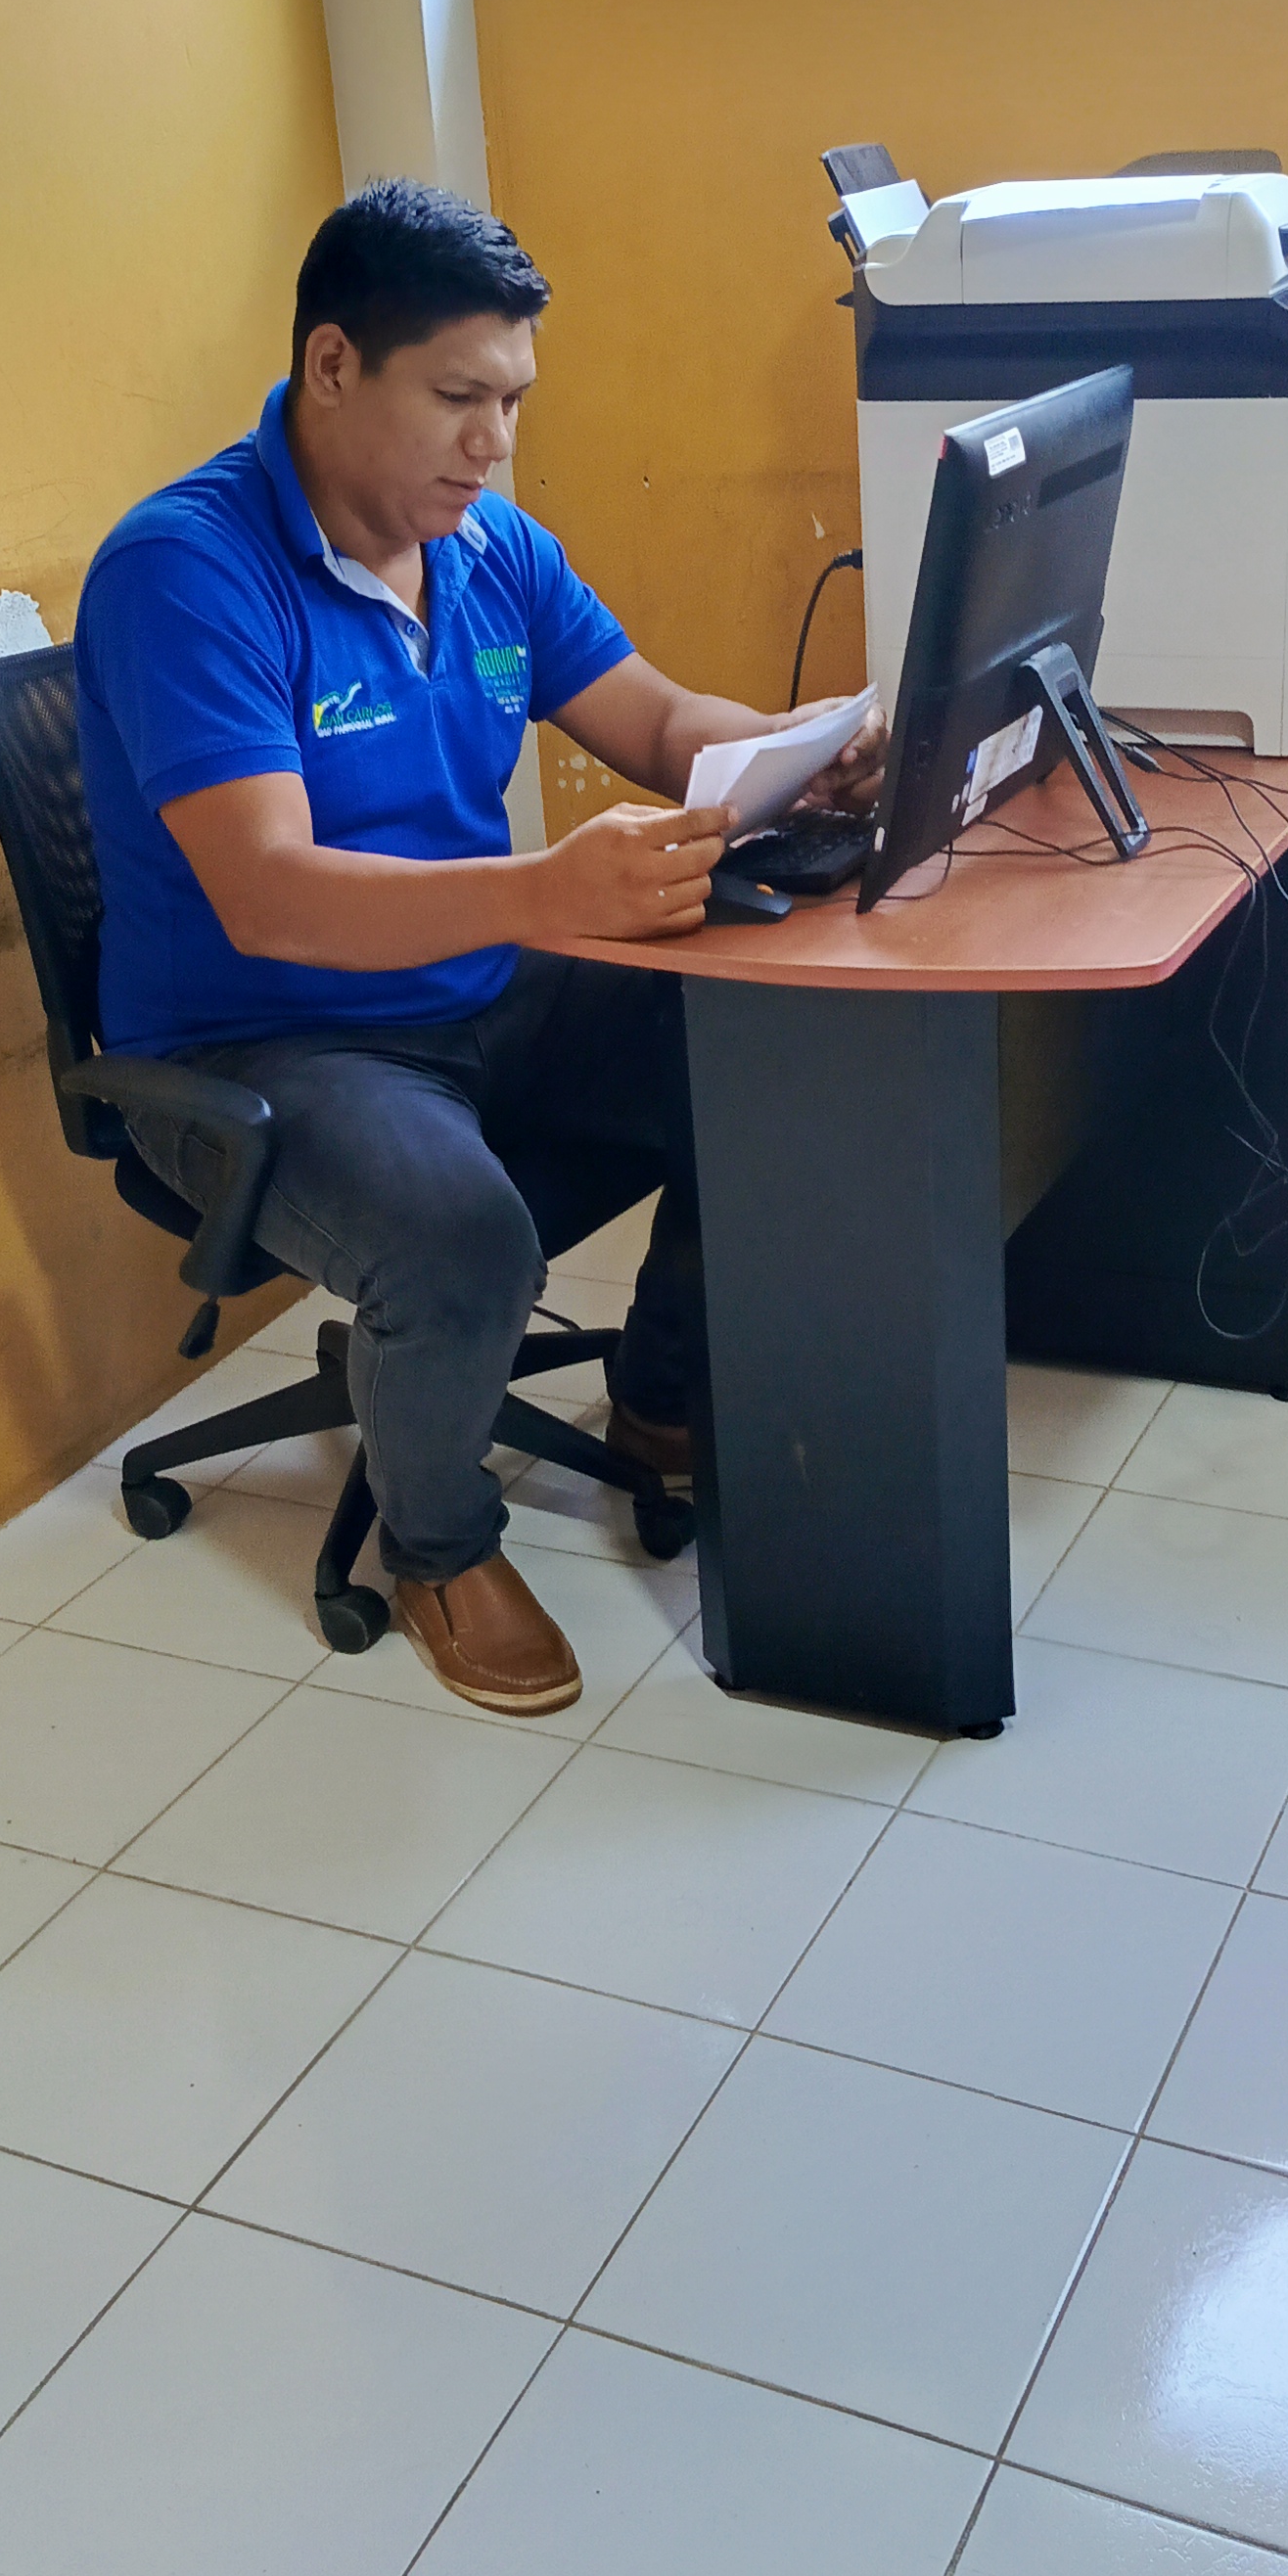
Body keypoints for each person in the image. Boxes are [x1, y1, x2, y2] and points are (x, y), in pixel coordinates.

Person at [71, 178, 884, 1720]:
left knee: (766, 1041)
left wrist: (803, 745)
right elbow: (271, 897)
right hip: (262, 1043)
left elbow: (656, 719)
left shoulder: (488, 546)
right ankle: (438, 1547)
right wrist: (546, 893)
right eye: (458, 398)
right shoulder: (186, 570)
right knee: (463, 1241)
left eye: (511, 400)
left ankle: (658, 1398)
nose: (492, 442)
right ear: (331, 367)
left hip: (470, 988)